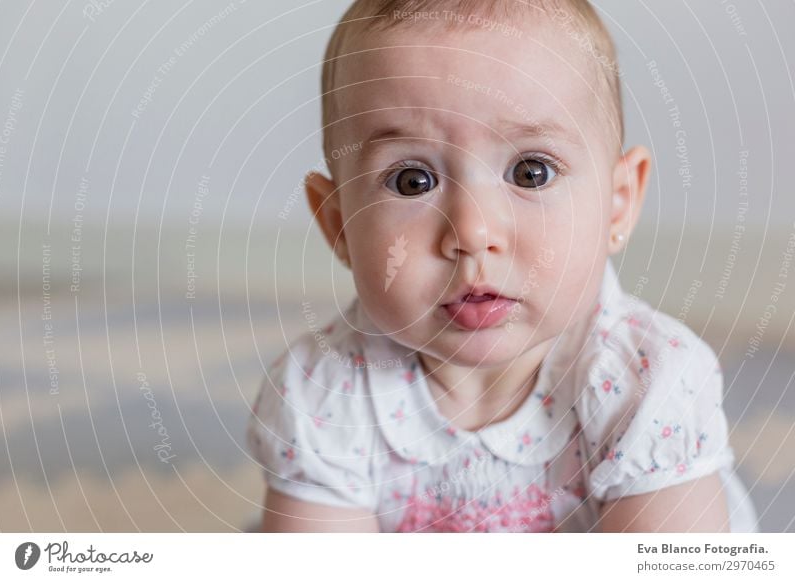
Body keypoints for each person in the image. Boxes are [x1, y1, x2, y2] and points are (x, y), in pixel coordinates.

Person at [246, 0, 758, 532]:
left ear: (618, 202)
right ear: (341, 226)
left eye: (530, 172)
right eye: (411, 181)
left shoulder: (648, 383)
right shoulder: (325, 393)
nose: (472, 232)